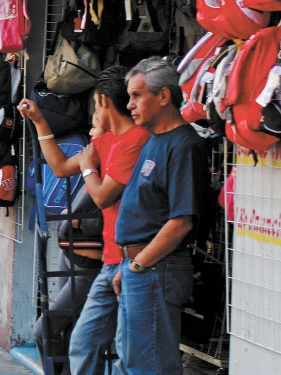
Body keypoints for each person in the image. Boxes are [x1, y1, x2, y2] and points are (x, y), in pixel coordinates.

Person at [19, 67, 149, 375]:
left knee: (105, 346)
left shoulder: (136, 141)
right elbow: (62, 166)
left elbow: (102, 195)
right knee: (81, 341)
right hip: (102, 260)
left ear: (103, 102)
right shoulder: (107, 143)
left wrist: (90, 168)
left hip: (120, 260)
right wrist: (39, 121)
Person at [113, 58, 209, 375]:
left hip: (155, 269)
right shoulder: (156, 139)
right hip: (139, 268)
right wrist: (128, 266)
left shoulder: (183, 145)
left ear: (164, 96)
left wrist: (139, 264)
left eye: (137, 95)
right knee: (134, 361)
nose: (130, 105)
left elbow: (181, 221)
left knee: (149, 366)